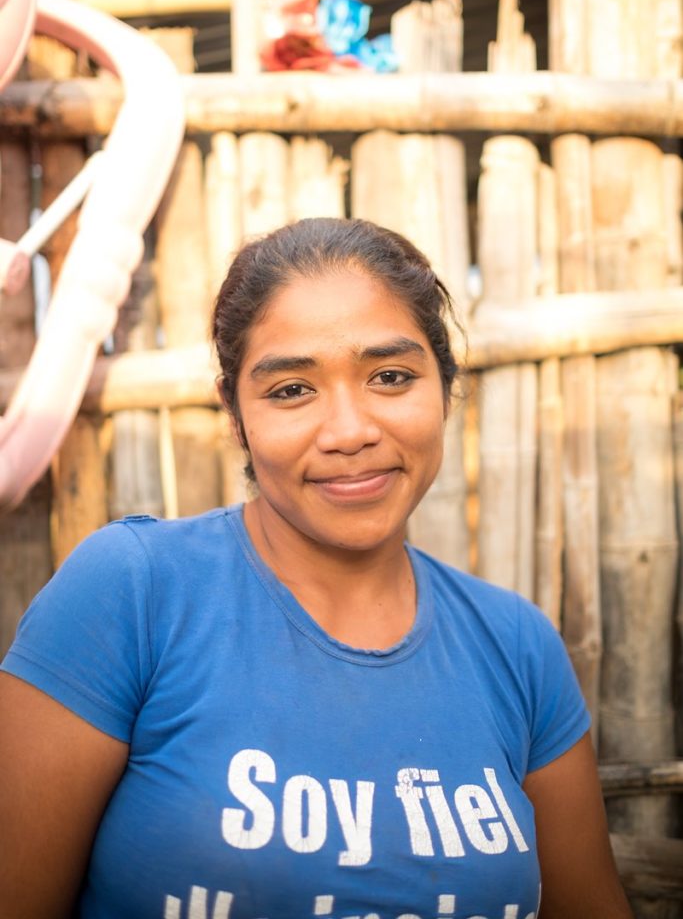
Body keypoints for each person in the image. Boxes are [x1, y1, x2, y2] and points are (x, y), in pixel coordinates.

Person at [0, 218, 632, 919]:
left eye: (390, 377)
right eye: (291, 390)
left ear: (445, 386)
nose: (348, 431)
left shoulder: (516, 646)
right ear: (235, 416)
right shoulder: (134, 593)